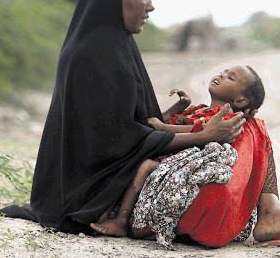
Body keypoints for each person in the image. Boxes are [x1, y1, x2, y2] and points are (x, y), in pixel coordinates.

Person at [0, 0, 280, 248]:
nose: (151, 6)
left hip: (123, 178)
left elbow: (135, 122)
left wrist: (179, 118)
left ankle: (270, 212)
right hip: (101, 194)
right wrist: (202, 137)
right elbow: (113, 143)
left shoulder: (119, 45)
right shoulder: (90, 54)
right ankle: (268, 212)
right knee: (247, 133)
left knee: (251, 126)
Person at [90, 64, 265, 237]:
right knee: (125, 159)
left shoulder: (226, 118)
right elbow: (169, 122)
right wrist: (180, 107)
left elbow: (199, 133)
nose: (220, 75)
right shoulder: (200, 109)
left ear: (240, 101)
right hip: (170, 152)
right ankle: (103, 212)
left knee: (144, 166)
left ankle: (122, 220)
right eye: (222, 72)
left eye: (230, 77)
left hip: (181, 160)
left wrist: (163, 128)